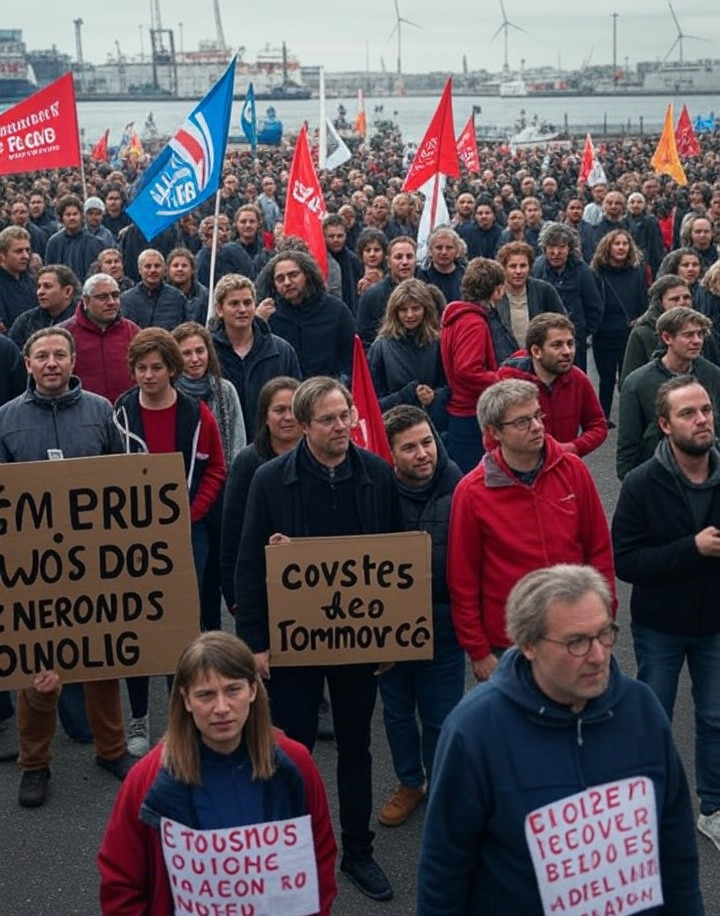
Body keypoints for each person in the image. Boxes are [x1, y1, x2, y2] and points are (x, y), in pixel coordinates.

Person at [418, 564, 703, 915]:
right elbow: (444, 870)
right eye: (576, 642)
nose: (598, 656)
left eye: (604, 634)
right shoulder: (474, 730)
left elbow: (675, 847)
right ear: (529, 645)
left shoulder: (642, 709)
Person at [234, 377, 404, 901]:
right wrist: (256, 644)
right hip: (293, 646)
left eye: (345, 416)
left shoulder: (377, 473)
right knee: (292, 750)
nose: (340, 427)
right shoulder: (268, 478)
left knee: (356, 746)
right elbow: (247, 567)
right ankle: (291, 849)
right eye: (328, 420)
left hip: (359, 643)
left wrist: (392, 636)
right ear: (303, 426)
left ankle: (357, 851)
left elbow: (396, 560)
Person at [97, 631, 337, 916]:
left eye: (232, 690)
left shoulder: (294, 764)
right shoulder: (147, 779)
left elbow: (319, 855)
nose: (221, 708)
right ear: (186, 699)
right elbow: (121, 883)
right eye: (206, 695)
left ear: (252, 690)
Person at [0, 327, 135, 806]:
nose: (52, 362)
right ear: (29, 365)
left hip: (96, 563)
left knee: (103, 661)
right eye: (42, 356)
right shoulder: (6, 419)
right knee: (37, 672)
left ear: (73, 360)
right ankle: (35, 764)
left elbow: (124, 483)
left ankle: (112, 748)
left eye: (60, 354)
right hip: (33, 568)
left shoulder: (102, 411)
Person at [613, 375, 720, 853]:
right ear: (663, 424)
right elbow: (627, 561)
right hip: (660, 625)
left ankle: (712, 809)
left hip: (715, 624)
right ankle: (648, 807)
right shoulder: (642, 484)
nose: (702, 420)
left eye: (706, 410)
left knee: (716, 718)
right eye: (688, 413)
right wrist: (691, 550)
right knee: (653, 716)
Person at [447, 379, 615, 683]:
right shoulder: (471, 492)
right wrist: (478, 650)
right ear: (495, 432)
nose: (537, 426)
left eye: (538, 416)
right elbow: (463, 577)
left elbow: (599, 549)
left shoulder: (573, 470)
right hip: (509, 642)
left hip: (577, 628)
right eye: (523, 421)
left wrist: (605, 615)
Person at [114, 328, 226, 757]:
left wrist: (191, 515)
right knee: (139, 622)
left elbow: (216, 468)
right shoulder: (120, 414)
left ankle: (182, 714)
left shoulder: (197, 415)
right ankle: (139, 716)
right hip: (134, 537)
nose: (147, 375)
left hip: (187, 533)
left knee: (181, 623)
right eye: (140, 368)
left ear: (172, 370)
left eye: (156, 368)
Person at [377, 405, 464, 828]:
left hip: (444, 628)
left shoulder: (461, 487)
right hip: (388, 631)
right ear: (389, 453)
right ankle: (409, 782)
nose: (422, 453)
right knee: (396, 713)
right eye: (409, 448)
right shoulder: (373, 491)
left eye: (427, 442)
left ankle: (444, 785)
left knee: (441, 716)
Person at [173, 321, 245, 631]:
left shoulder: (223, 389)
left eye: (200, 351)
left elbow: (237, 441)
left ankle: (214, 638)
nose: (194, 359)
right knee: (190, 582)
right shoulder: (170, 392)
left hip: (221, 495)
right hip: (187, 495)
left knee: (214, 577)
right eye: (186, 353)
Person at [220, 376, 302, 613]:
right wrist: (233, 592)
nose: (287, 417)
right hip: (260, 578)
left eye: (293, 409)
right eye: (279, 410)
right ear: (265, 417)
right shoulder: (247, 462)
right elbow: (233, 531)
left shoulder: (319, 460)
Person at [616, 307, 720, 480]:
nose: (697, 341)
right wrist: (631, 482)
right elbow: (628, 443)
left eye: (700, 334)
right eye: (688, 335)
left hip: (706, 475)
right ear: (667, 338)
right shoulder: (637, 382)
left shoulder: (712, 374)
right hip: (657, 476)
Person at [498, 313, 608, 456]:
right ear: (536, 351)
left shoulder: (578, 379)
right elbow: (492, 437)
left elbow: (598, 425)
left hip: (563, 466)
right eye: (557, 345)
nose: (567, 352)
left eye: (570, 343)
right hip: (521, 471)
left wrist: (573, 448)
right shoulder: (507, 384)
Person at [440, 257, 508, 472]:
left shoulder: (458, 315)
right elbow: (467, 370)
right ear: (496, 290)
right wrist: (501, 379)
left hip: (461, 409)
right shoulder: (473, 322)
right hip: (469, 411)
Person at [211, 274, 301, 437]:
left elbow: (297, 401)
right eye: (234, 304)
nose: (242, 310)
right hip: (224, 444)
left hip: (271, 444)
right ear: (219, 310)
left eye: (247, 302)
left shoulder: (281, 350)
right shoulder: (208, 353)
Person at [368, 278, 448, 432]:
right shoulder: (381, 346)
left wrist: (435, 396)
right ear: (394, 312)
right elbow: (372, 401)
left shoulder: (438, 342)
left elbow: (451, 387)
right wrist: (407, 395)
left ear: (426, 309)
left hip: (433, 426)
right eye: (403, 310)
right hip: (394, 427)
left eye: (415, 308)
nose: (409, 315)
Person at [266, 250, 355, 382]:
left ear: (307, 275)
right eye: (280, 279)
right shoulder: (270, 315)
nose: (287, 282)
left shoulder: (336, 311)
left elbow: (350, 361)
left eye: (293, 275)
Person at [590, 228, 647, 423]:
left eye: (625, 244)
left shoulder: (636, 272)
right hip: (604, 334)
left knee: (628, 379)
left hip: (629, 334)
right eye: (617, 243)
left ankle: (630, 418)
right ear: (608, 247)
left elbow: (641, 300)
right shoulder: (597, 273)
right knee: (606, 379)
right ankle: (602, 419)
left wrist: (640, 319)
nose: (621, 247)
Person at [532, 223, 603, 372]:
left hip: (573, 338)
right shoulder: (538, 268)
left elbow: (594, 306)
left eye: (561, 247)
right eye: (551, 247)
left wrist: (582, 332)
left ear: (569, 249)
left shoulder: (582, 271)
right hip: (544, 338)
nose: (556, 252)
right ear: (544, 249)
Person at [620, 275, 696, 383]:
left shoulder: (700, 331)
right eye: (675, 299)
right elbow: (629, 380)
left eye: (686, 297)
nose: (682, 302)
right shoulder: (643, 333)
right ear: (660, 303)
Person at [494, 241, 566, 352]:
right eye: (513, 266)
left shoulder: (544, 290)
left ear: (530, 267)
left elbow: (562, 324)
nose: (518, 271)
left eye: (523, 266)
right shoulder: (495, 295)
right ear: (503, 268)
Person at [357, 236, 417, 349]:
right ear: (388, 262)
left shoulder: (427, 294)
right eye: (398, 257)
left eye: (409, 257)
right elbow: (364, 339)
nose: (405, 262)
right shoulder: (372, 296)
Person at [8, 264, 78, 348]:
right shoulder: (27, 321)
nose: (40, 292)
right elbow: (12, 354)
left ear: (68, 291)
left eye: (47, 286)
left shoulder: (82, 320)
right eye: (38, 287)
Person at [119, 249, 189, 330]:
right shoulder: (126, 300)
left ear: (164, 269)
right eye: (148, 266)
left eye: (157, 266)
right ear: (140, 270)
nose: (153, 270)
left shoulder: (178, 298)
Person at [45, 195, 105, 282]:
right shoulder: (53, 242)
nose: (72, 218)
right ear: (61, 217)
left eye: (75, 214)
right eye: (68, 215)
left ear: (81, 216)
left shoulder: (96, 243)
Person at [324, 213, 363, 316]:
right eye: (331, 236)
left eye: (340, 236)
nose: (336, 240)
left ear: (346, 235)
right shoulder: (319, 259)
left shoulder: (353, 260)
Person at [416, 226, 466, 304]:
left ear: (457, 251)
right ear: (430, 251)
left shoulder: (466, 275)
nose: (444, 252)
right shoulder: (421, 276)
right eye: (439, 248)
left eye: (449, 248)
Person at [0, 226, 35, 331]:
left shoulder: (32, 281)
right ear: (2, 255)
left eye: (27, 250)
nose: (25, 256)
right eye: (18, 251)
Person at [166, 247, 208, 325]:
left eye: (184, 266)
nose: (180, 269)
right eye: (175, 265)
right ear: (168, 270)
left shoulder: (204, 295)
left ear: (193, 269)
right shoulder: (161, 294)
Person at [355, 227, 388, 298]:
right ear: (361, 253)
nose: (372, 254)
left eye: (377, 250)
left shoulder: (390, 275)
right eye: (368, 250)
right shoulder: (354, 273)